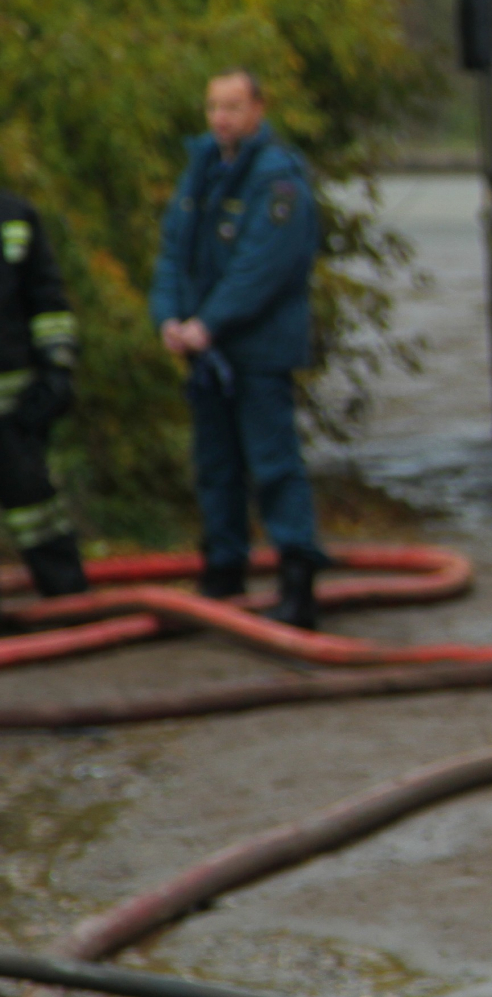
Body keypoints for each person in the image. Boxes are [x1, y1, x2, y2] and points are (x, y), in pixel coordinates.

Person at [149, 69, 325, 629]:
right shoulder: (200, 171)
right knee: (215, 466)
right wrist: (169, 317)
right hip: (206, 352)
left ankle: (298, 579)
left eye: (231, 106)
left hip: (259, 351)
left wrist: (209, 323)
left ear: (257, 110)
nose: (220, 118)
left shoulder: (277, 181)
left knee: (273, 464)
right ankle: (223, 572)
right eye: (213, 107)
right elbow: (173, 253)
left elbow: (261, 268)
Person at [0, 188, 86, 598]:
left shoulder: (16, 216)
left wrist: (57, 368)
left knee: (36, 508)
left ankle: (69, 601)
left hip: (16, 407)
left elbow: (47, 298)